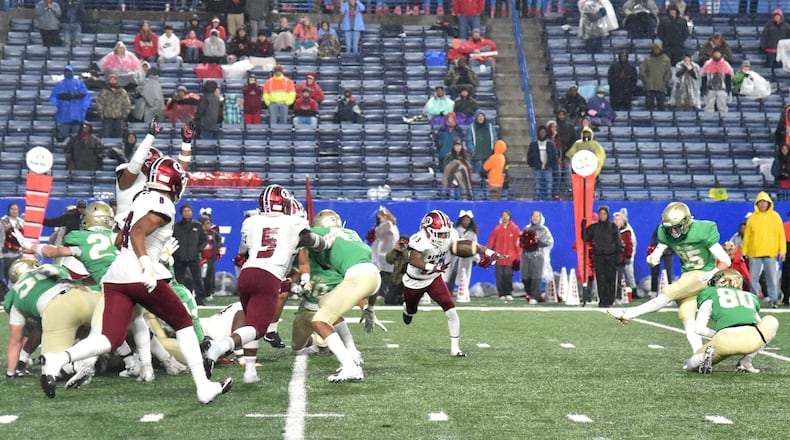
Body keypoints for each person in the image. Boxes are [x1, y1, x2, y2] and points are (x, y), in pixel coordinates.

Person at [39, 157, 233, 403]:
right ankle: (203, 387)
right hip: (140, 273)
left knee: (109, 338)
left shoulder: (140, 197)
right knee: (184, 323)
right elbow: (138, 231)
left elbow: (120, 239)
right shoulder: (163, 203)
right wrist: (146, 263)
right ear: (173, 183)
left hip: (116, 275)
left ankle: (58, 359)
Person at [204, 202, 339, 383]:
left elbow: (243, 252)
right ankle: (220, 347)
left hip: (247, 273)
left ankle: (250, 372)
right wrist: (328, 241)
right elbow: (314, 242)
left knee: (250, 322)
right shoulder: (292, 223)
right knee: (258, 328)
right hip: (267, 276)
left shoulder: (254, 221)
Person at [608, 202, 732, 354]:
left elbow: (726, 260)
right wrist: (653, 258)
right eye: (670, 228)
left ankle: (629, 314)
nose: (673, 232)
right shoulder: (664, 232)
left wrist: (712, 274)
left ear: (686, 221)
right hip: (688, 275)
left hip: (704, 274)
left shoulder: (703, 229)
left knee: (670, 290)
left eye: (677, 227)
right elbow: (657, 252)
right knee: (686, 316)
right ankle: (700, 354)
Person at [403, 210, 502, 357]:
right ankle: (407, 309)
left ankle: (455, 348)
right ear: (428, 231)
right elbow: (413, 260)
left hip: (434, 278)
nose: (444, 237)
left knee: (451, 310)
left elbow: (470, 245)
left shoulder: (451, 235)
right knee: (411, 310)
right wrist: (433, 267)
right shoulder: (419, 239)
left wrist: (490, 253)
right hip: (415, 281)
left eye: (446, 233)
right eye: (440, 233)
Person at [3, 260, 99, 384]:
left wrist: (10, 373)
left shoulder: (15, 294)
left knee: (51, 365)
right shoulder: (50, 268)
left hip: (57, 310)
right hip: (84, 296)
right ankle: (120, 359)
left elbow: (15, 341)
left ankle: (77, 366)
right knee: (101, 329)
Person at [684, 269, 779, 374]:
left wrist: (717, 335)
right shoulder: (749, 296)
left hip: (725, 341)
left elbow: (699, 329)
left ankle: (704, 357)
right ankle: (746, 361)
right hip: (751, 340)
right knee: (771, 321)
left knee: (690, 364)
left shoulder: (710, 294)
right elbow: (760, 324)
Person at [742, 192, 786, 308]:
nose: (762, 204)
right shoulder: (752, 218)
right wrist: (744, 252)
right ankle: (753, 300)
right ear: (757, 204)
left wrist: (782, 251)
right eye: (760, 202)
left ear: (769, 203)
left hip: (770, 252)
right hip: (754, 253)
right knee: (753, 278)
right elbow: (747, 237)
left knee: (771, 278)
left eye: (764, 202)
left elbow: (781, 235)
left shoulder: (775, 217)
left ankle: (773, 300)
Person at [581, 206, 622, 307]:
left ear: (607, 215)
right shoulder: (594, 227)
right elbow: (585, 237)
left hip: (611, 257)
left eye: (604, 214)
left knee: (611, 279)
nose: (602, 216)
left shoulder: (613, 227)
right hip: (599, 257)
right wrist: (583, 226)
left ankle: (610, 300)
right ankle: (602, 300)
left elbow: (618, 243)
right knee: (601, 280)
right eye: (600, 214)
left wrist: (618, 257)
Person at [173, 204, 208, 305]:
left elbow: (204, 239)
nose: (187, 213)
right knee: (178, 279)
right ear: (181, 213)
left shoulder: (198, 225)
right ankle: (177, 298)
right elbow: (171, 239)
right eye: (185, 211)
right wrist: (176, 252)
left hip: (194, 257)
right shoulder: (176, 226)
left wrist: (198, 250)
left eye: (189, 210)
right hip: (179, 257)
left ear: (192, 212)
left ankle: (200, 299)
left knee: (197, 279)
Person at [519, 210, 554, 303]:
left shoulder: (544, 230)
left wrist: (537, 242)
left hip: (538, 256)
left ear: (540, 218)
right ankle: (535, 294)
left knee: (536, 276)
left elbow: (549, 242)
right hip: (525, 256)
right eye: (533, 216)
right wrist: (524, 243)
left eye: (537, 216)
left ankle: (534, 296)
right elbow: (520, 241)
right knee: (525, 276)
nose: (535, 218)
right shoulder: (526, 229)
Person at [50, 65, 91, 142]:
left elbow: (86, 97)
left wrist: (82, 109)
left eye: (69, 71)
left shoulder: (79, 83)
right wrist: (61, 103)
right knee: (64, 137)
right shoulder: (60, 84)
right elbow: (54, 98)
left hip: (77, 116)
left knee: (76, 139)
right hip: (64, 116)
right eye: (66, 72)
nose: (67, 73)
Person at [486, 210, 520, 301]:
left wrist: (518, 258)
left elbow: (518, 244)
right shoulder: (497, 229)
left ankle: (508, 293)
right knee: (499, 277)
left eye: (507, 216)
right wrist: (486, 254)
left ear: (510, 217)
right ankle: (501, 293)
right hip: (499, 258)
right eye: (503, 215)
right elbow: (491, 243)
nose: (505, 217)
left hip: (510, 259)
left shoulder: (515, 229)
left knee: (508, 276)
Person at [370, 207, 399, 304]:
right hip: (385, 253)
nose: (379, 220)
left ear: (384, 216)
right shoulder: (391, 225)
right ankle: (382, 292)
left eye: (380, 218)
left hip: (386, 253)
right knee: (384, 274)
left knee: (386, 274)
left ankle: (383, 293)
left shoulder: (387, 225)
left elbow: (377, 233)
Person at [446, 210, 478, 296]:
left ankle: (463, 292)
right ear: (461, 220)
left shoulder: (472, 233)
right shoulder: (455, 231)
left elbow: (475, 245)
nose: (465, 221)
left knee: (464, 275)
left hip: (466, 257)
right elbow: (450, 242)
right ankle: (449, 291)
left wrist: (476, 258)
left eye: (467, 220)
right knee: (452, 273)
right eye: (464, 220)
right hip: (455, 256)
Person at [527, 125, 559, 201]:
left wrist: (550, 165)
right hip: (537, 169)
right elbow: (529, 156)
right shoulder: (533, 144)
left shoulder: (550, 144)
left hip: (548, 169)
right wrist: (533, 165)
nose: (542, 134)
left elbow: (554, 156)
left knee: (549, 186)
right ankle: (537, 201)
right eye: (541, 132)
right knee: (537, 186)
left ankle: (548, 201)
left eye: (543, 132)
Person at [1, 204, 24, 300]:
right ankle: (5, 297)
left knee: (17, 277)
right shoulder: (3, 222)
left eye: (16, 209)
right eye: (12, 209)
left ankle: (15, 297)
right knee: (4, 278)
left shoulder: (21, 222)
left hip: (18, 255)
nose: (14, 211)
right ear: (8, 210)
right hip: (5, 255)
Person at [96, 74, 131, 138]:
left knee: (119, 137)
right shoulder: (103, 92)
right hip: (107, 120)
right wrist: (101, 114)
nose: (112, 81)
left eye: (114, 79)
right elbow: (99, 104)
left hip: (119, 119)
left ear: (116, 81)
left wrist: (124, 115)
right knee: (107, 137)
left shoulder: (122, 92)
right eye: (111, 79)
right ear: (108, 81)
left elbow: (127, 104)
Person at [640, 44, 672, 111]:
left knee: (661, 106)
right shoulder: (647, 59)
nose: (656, 50)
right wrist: (646, 81)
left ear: (660, 49)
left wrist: (664, 81)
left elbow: (668, 72)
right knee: (649, 106)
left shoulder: (666, 59)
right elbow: (642, 71)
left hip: (661, 86)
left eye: (658, 49)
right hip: (649, 86)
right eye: (655, 49)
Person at [701, 49, 733, 113]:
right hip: (710, 89)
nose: (717, 54)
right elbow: (704, 76)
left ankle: (723, 118)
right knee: (709, 107)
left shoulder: (725, 64)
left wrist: (728, 89)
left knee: (722, 107)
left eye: (718, 53)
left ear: (721, 54)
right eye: (715, 53)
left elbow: (729, 77)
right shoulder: (708, 64)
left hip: (722, 89)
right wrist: (704, 88)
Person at [466, 111, 497, 177]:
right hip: (477, 156)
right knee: (477, 174)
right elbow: (468, 140)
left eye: (482, 116)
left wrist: (494, 149)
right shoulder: (471, 127)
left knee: (488, 174)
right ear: (476, 118)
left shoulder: (490, 127)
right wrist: (472, 150)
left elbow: (494, 138)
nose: (480, 118)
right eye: (479, 116)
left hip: (488, 154)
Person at [613, 210, 634, 303]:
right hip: (610, 258)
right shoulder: (611, 231)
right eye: (615, 219)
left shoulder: (626, 232)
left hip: (620, 259)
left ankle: (618, 297)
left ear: (623, 221)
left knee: (618, 278)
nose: (616, 221)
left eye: (619, 219)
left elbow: (629, 245)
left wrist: (628, 257)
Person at [200, 215, 222, 301]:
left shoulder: (213, 233)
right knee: (200, 277)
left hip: (210, 259)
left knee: (209, 277)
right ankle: (199, 293)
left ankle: (208, 293)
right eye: (207, 223)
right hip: (200, 258)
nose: (209, 225)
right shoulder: (199, 233)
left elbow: (219, 239)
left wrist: (217, 247)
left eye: (209, 223)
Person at [384, 235, 410, 305]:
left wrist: (404, 250)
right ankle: (399, 299)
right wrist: (395, 250)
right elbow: (389, 260)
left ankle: (403, 298)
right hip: (396, 280)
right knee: (388, 301)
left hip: (406, 280)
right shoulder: (396, 252)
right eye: (400, 243)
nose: (401, 245)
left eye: (403, 244)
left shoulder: (411, 252)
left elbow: (408, 260)